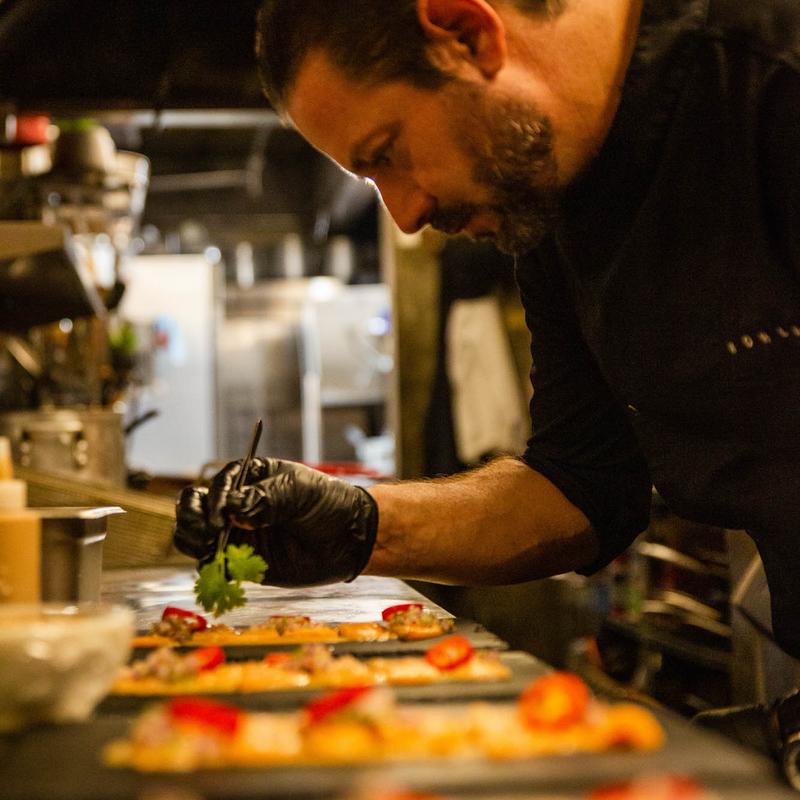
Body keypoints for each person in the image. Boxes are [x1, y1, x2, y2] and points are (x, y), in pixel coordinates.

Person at [174, 0, 800, 670]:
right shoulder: (552, 191)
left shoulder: (769, 77)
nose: (406, 215)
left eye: (387, 154)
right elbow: (581, 485)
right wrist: (359, 524)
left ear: (467, 34)